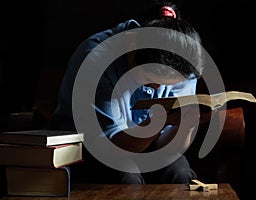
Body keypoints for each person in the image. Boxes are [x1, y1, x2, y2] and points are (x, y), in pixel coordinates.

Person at [47, 2, 204, 184]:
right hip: (86, 147)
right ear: (132, 46)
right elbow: (111, 147)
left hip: (143, 142)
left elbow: (165, 146)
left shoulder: (185, 65)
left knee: (179, 171)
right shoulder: (96, 60)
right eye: (148, 79)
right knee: (126, 175)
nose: (155, 89)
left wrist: (185, 127)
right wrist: (158, 121)